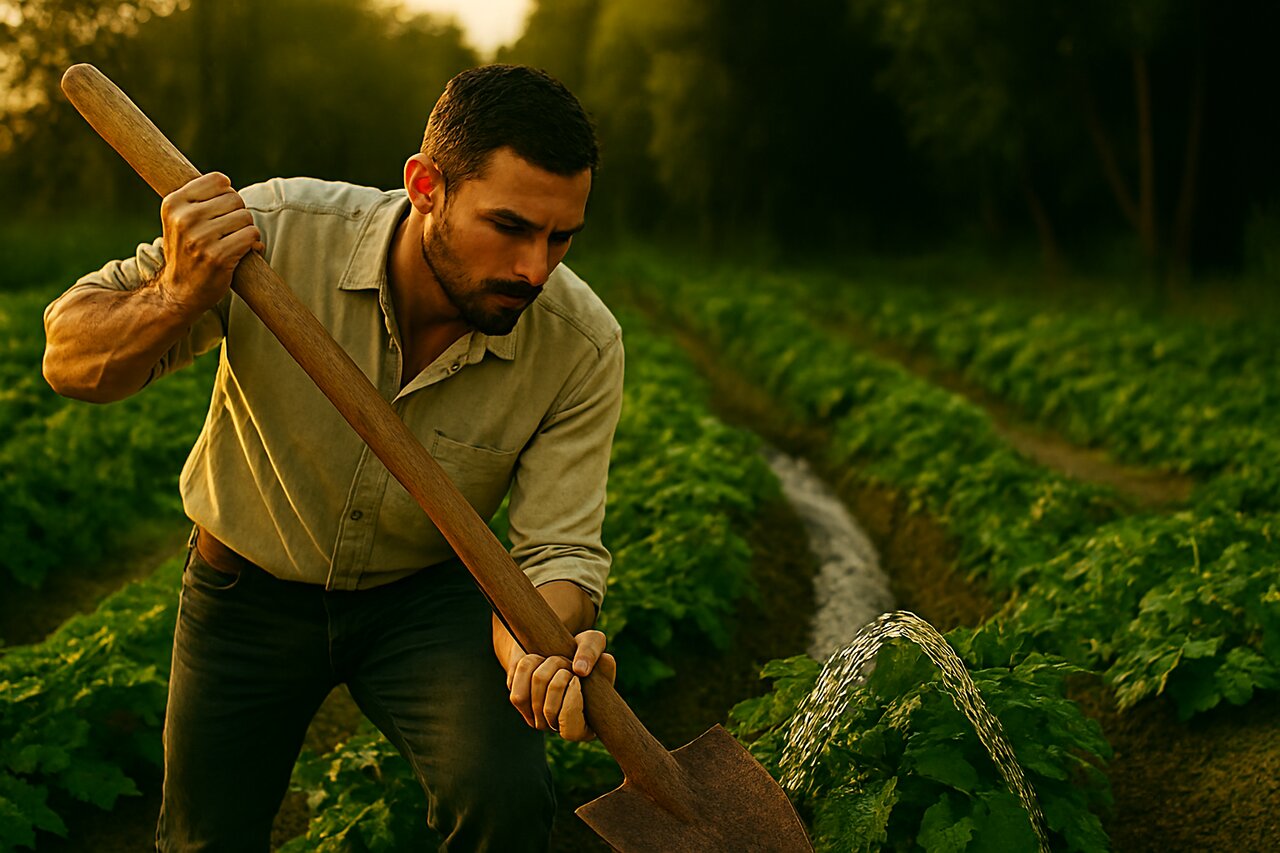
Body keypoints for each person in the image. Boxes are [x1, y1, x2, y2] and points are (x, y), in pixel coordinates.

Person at [41, 64, 622, 852]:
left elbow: (557, 546)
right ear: (425, 186)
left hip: (424, 598)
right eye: (511, 226)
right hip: (244, 588)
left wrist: (535, 644)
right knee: (203, 838)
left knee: (506, 800)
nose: (534, 267)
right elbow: (69, 360)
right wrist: (177, 291)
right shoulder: (275, 233)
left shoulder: (580, 344)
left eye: (561, 237)